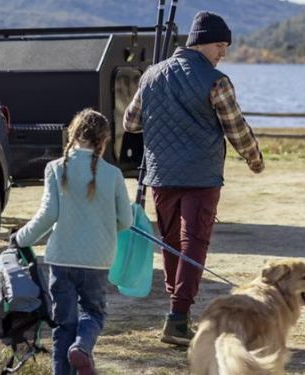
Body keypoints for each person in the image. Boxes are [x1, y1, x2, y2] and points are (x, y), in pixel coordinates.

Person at [122, 10, 265, 347]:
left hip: (161, 174)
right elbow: (236, 128)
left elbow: (130, 122)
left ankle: (177, 313)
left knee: (173, 244)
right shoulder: (216, 81)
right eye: (220, 45)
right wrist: (254, 159)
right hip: (201, 176)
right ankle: (177, 318)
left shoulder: (150, 76)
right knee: (194, 243)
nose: (223, 53)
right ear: (202, 43)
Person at [13, 109, 133, 375]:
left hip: (61, 258)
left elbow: (48, 215)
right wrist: (102, 227)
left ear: (73, 134)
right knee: (93, 312)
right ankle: (82, 347)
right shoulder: (113, 174)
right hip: (98, 259)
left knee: (63, 324)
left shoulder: (55, 169)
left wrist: (20, 238)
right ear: (103, 140)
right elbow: (125, 220)